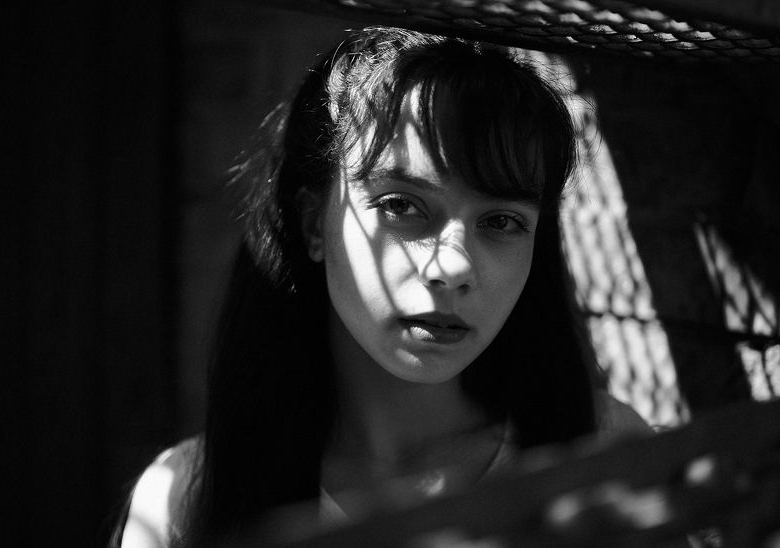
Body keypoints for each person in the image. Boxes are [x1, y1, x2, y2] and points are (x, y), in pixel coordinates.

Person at [116, 26, 648, 548]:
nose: (453, 266)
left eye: (502, 221)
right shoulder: (184, 500)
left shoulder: (607, 450)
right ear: (314, 223)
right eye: (401, 205)